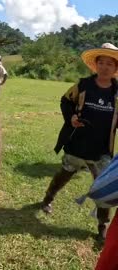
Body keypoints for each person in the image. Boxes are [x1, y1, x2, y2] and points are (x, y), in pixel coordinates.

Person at [40, 43, 118, 241]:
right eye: (102, 62)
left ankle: (102, 225)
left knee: (103, 187)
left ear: (115, 69)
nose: (105, 67)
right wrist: (71, 117)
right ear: (95, 65)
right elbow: (65, 100)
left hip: (102, 151)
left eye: (110, 64)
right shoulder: (83, 85)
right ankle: (48, 199)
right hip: (77, 145)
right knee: (64, 175)